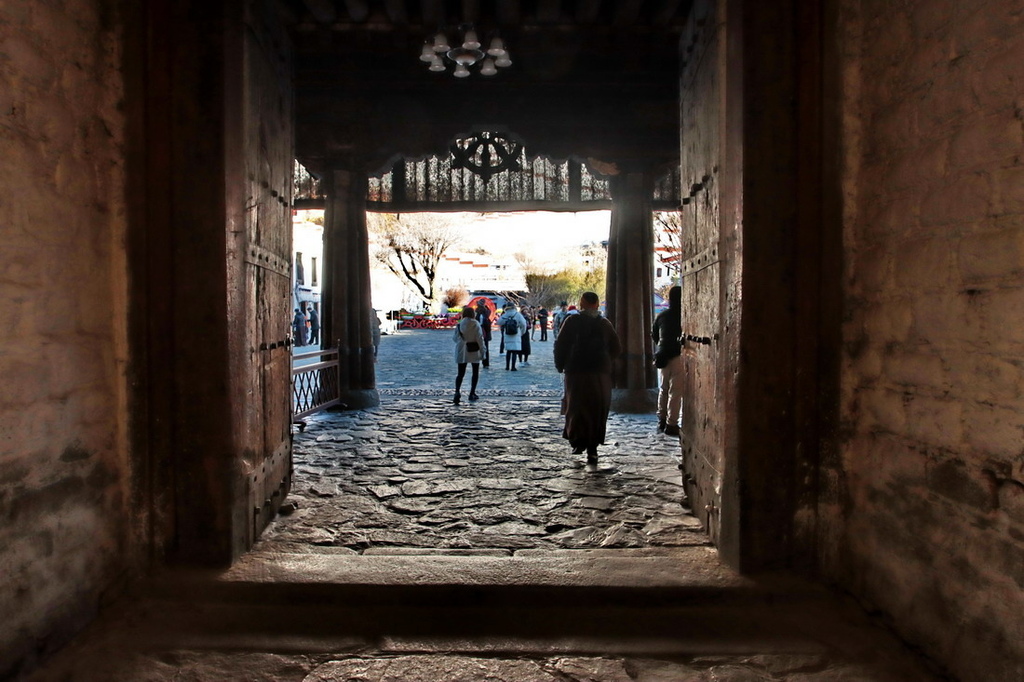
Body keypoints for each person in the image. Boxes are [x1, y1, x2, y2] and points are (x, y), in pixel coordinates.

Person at [554, 292, 621, 463]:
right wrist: (606, 363)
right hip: (599, 373)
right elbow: (616, 348)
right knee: (597, 408)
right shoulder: (605, 324)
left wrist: (560, 365)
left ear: (581, 304)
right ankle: (593, 447)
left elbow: (560, 344)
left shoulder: (572, 322)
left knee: (576, 406)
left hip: (576, 371)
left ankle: (577, 441)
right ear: (597, 305)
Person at [652, 285, 683, 436]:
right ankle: (672, 424)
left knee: (663, 389)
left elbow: (654, 335)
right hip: (678, 355)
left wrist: (661, 345)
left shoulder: (662, 315)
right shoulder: (684, 315)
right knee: (675, 392)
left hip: (662, 356)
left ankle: (661, 419)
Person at [452, 307, 484, 404]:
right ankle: (472, 393)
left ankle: (457, 391)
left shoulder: (459, 324)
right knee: (475, 372)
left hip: (462, 350)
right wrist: (483, 352)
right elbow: (480, 338)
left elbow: (454, 338)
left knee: (460, 373)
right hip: (474, 349)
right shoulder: (476, 324)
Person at [496, 303, 528, 371]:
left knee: (508, 351)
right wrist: (522, 332)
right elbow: (524, 324)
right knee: (514, 351)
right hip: (516, 334)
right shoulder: (517, 314)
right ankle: (513, 367)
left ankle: (507, 366)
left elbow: (499, 322)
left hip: (507, 333)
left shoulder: (506, 314)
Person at [475, 300, 492, 368]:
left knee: (478, 347)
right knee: (486, 347)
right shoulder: (487, 312)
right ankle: (486, 362)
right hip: (485, 331)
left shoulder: (477, 312)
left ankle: (477, 361)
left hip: (479, 331)